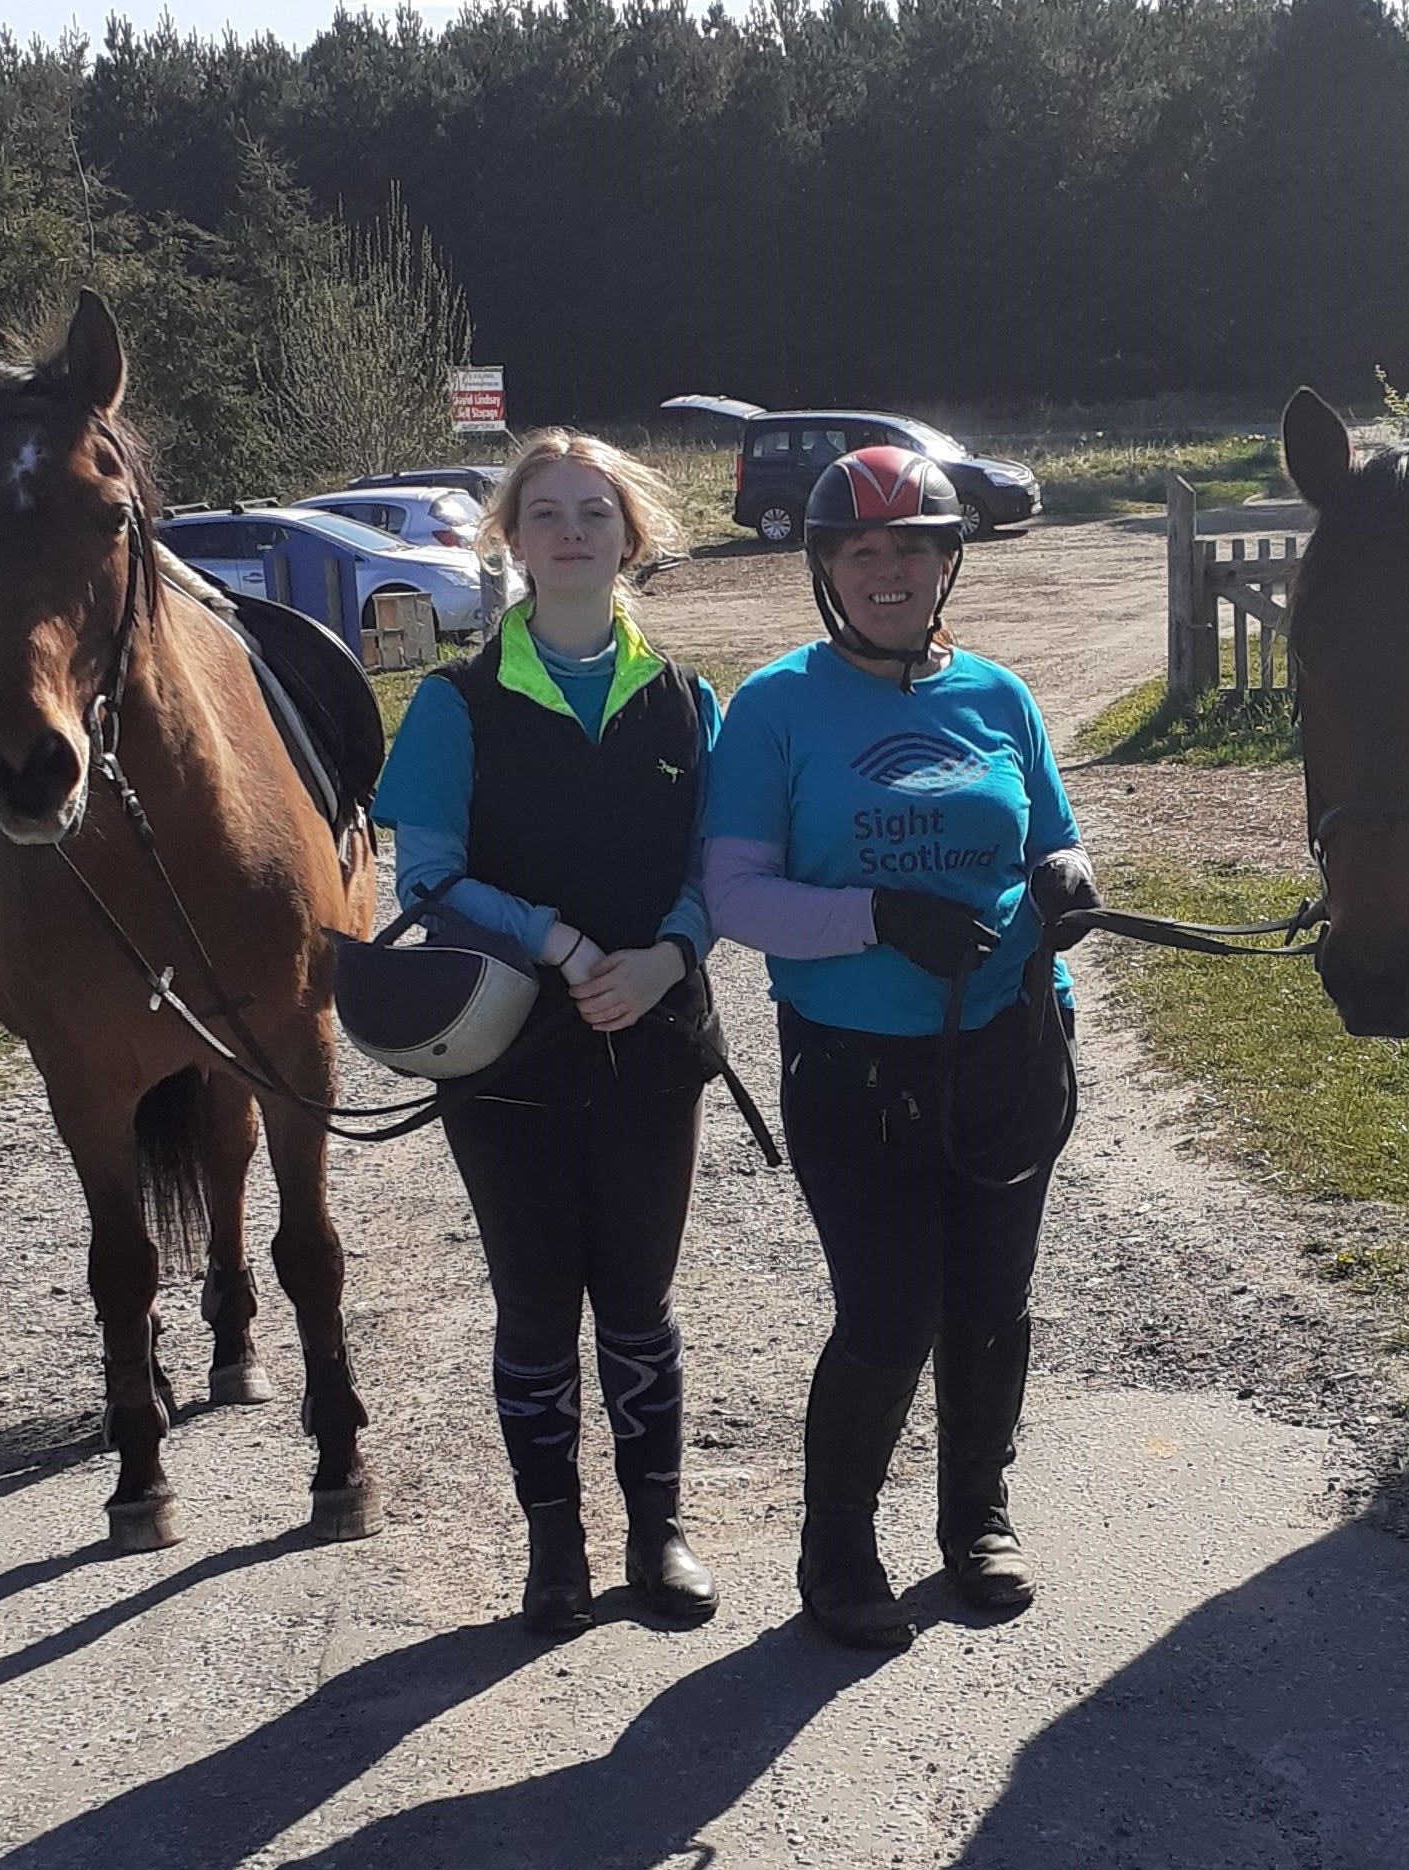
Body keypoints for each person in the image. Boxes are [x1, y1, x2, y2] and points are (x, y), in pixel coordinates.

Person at [704, 446, 1101, 1650]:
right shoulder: (774, 708)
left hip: (1003, 1047)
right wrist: (873, 915)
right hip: (853, 1069)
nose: (890, 569)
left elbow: (1055, 842)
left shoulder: (998, 696)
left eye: (913, 547)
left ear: (947, 562)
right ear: (826, 567)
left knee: (992, 1301)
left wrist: (1071, 888)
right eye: (863, 550)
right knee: (888, 1313)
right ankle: (836, 1548)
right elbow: (733, 897)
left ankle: (974, 1520)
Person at [367, 429, 725, 1636]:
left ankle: (656, 1533)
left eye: (594, 512)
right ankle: (554, 1550)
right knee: (532, 1305)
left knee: (637, 1301)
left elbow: (718, 869)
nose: (571, 531)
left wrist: (668, 953)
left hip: (651, 1044)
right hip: (506, 1052)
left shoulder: (686, 700)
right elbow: (427, 875)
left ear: (632, 536)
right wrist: (560, 943)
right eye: (546, 514)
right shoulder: (455, 704)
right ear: (510, 541)